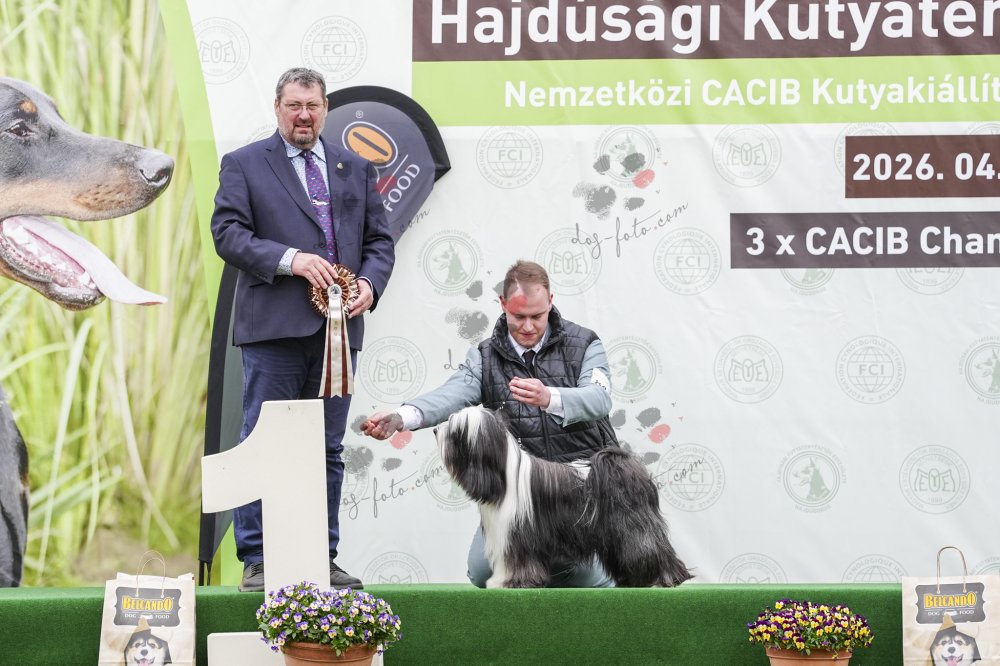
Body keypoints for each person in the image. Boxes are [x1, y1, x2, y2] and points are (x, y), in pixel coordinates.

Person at [211, 67, 394, 592]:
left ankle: (322, 558)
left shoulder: (356, 167)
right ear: (277, 108)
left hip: (340, 333)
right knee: (261, 442)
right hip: (273, 331)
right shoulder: (244, 164)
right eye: (294, 106)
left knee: (328, 449)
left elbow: (379, 242)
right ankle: (257, 559)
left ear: (326, 108)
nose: (303, 116)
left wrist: (370, 285)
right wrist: (291, 259)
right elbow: (227, 234)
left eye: (312, 106)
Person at [362, 259, 618, 587]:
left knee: (582, 573)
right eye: (518, 316)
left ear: (551, 301)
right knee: (484, 571)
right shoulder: (484, 357)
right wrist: (402, 416)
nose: (528, 326)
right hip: (520, 490)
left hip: (579, 490)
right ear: (503, 304)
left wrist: (550, 397)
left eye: (537, 316)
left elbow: (599, 398)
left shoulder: (585, 344)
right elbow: (451, 395)